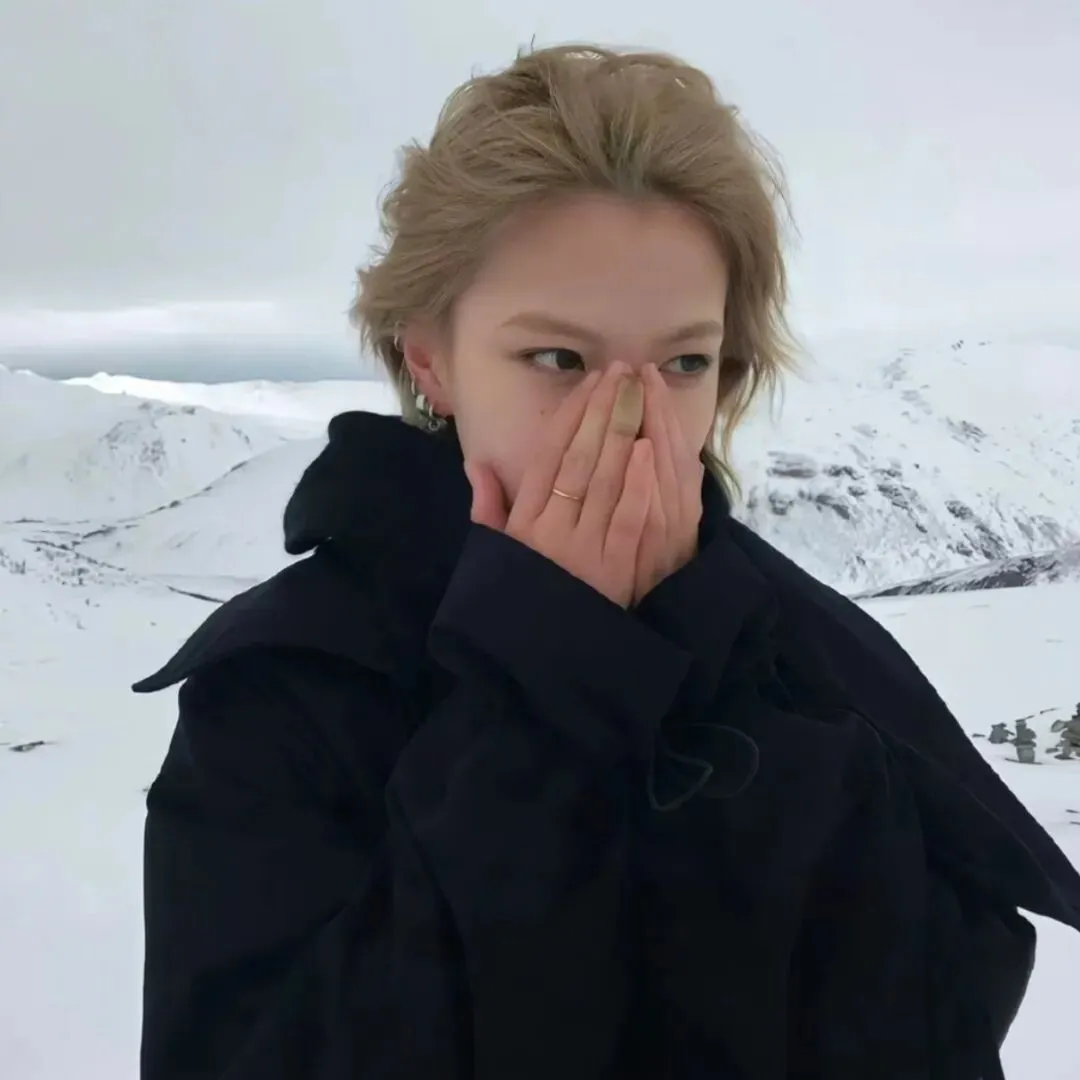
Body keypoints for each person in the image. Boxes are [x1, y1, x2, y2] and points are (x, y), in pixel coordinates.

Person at [134, 44, 1080, 1080]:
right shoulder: (292, 694)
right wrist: (536, 705)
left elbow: (933, 1024)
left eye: (682, 362)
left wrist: (714, 696)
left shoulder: (806, 673)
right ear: (429, 358)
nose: (627, 421)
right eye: (559, 358)